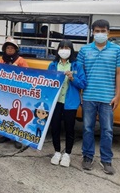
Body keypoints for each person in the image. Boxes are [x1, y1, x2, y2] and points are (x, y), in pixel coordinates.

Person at [77, 19, 120, 175]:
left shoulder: (117, 50)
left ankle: (106, 160)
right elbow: (80, 73)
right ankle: (87, 156)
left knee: (107, 130)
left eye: (103, 31)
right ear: (92, 32)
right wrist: (80, 95)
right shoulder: (84, 50)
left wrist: (117, 96)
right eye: (97, 31)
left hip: (107, 98)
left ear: (108, 32)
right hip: (88, 97)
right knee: (87, 129)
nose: (100, 34)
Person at [48, 39, 87, 167]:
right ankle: (57, 152)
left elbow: (83, 83)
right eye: (62, 47)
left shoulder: (77, 65)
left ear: (71, 51)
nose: (64, 50)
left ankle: (67, 154)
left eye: (67, 48)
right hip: (56, 102)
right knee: (55, 127)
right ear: (58, 50)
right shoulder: (53, 65)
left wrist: (72, 78)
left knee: (70, 129)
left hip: (70, 102)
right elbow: (46, 82)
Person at [0, 36, 28, 149]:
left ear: (16, 49)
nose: (9, 49)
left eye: (12, 47)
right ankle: (5, 134)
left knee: (16, 115)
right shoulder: (1, 60)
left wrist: (18, 70)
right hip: (5, 92)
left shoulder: (21, 61)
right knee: (5, 114)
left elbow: (28, 76)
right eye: (7, 47)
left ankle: (17, 137)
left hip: (17, 93)